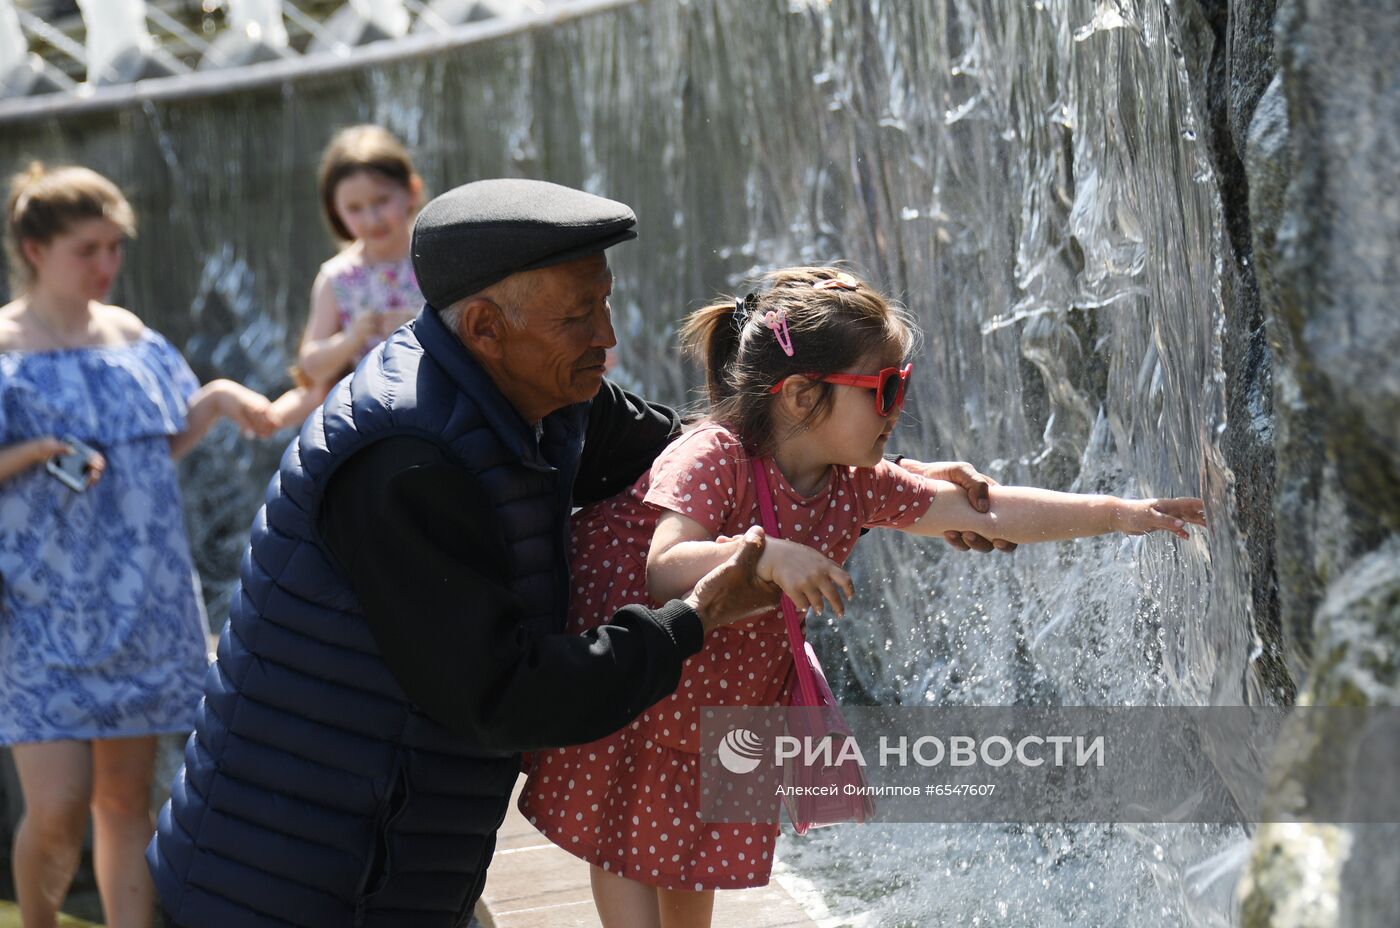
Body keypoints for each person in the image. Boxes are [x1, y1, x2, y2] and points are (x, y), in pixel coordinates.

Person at [145, 179, 1009, 927]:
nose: (609, 336)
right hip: (290, 881)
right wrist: (690, 621)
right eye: (578, 314)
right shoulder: (404, 461)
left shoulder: (546, 391)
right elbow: (503, 694)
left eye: (603, 302)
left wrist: (856, 462)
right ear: (484, 324)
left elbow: (706, 453)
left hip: (388, 858)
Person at [518, 266, 1206, 928]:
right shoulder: (714, 456)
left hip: (719, 697)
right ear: (799, 396)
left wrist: (1118, 513)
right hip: (639, 673)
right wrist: (766, 555)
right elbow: (665, 567)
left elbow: (982, 512)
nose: (897, 408)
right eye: (883, 389)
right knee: (625, 844)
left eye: (901, 385)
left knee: (691, 858)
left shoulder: (856, 484)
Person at [0, 163, 276, 928]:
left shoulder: (133, 338)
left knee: (125, 802)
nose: (107, 265)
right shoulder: (3, 347)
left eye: (114, 247)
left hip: (146, 598)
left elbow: (157, 451)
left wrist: (217, 401)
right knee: (56, 806)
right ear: (34, 248)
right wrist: (34, 452)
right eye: (88, 249)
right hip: (38, 608)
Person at [267, 125, 425, 428]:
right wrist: (352, 338)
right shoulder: (339, 277)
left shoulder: (434, 256)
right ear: (335, 212)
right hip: (372, 421)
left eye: (381, 201)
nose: (372, 218)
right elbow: (311, 366)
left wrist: (421, 326)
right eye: (355, 208)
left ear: (411, 191)